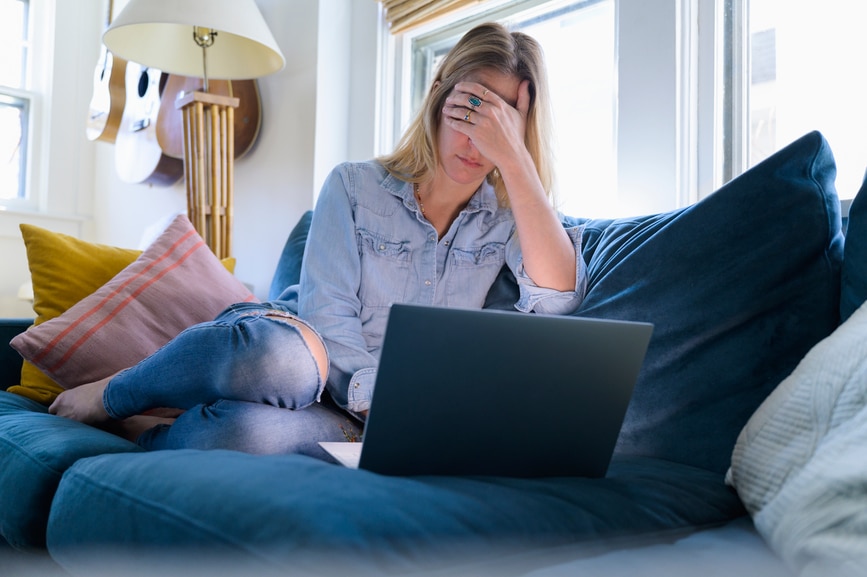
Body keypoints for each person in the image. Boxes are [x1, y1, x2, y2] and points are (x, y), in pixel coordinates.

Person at [48, 22, 588, 459]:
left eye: (501, 123)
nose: (478, 140)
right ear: (438, 94)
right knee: (279, 364)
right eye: (471, 109)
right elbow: (329, 320)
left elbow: (558, 301)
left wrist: (516, 162)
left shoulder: (517, 218)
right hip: (311, 358)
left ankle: (147, 428)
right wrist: (390, 406)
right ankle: (115, 391)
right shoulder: (355, 185)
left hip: (371, 421)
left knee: (244, 438)